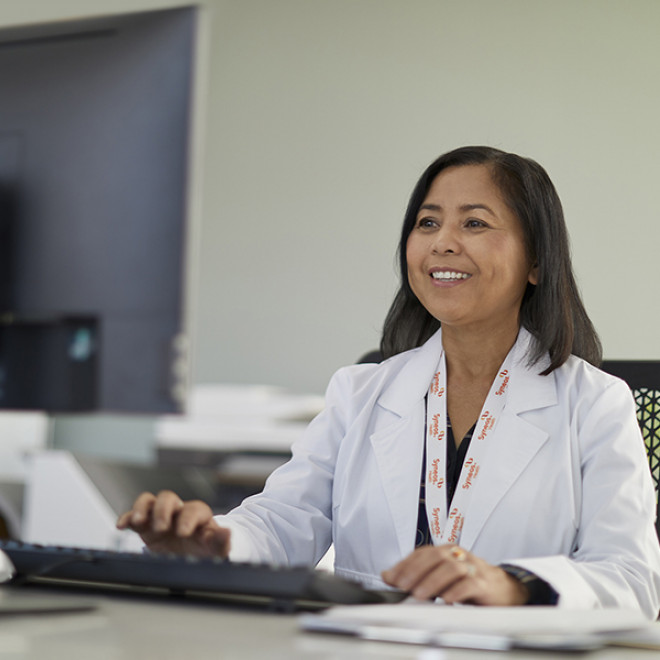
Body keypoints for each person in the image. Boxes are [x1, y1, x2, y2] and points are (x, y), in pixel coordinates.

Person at [117, 146, 660, 617]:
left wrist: (515, 585)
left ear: (536, 261)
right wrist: (216, 543)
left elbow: (633, 580)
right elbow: (285, 521)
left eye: (474, 223)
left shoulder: (595, 404)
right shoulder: (360, 394)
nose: (443, 243)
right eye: (427, 223)